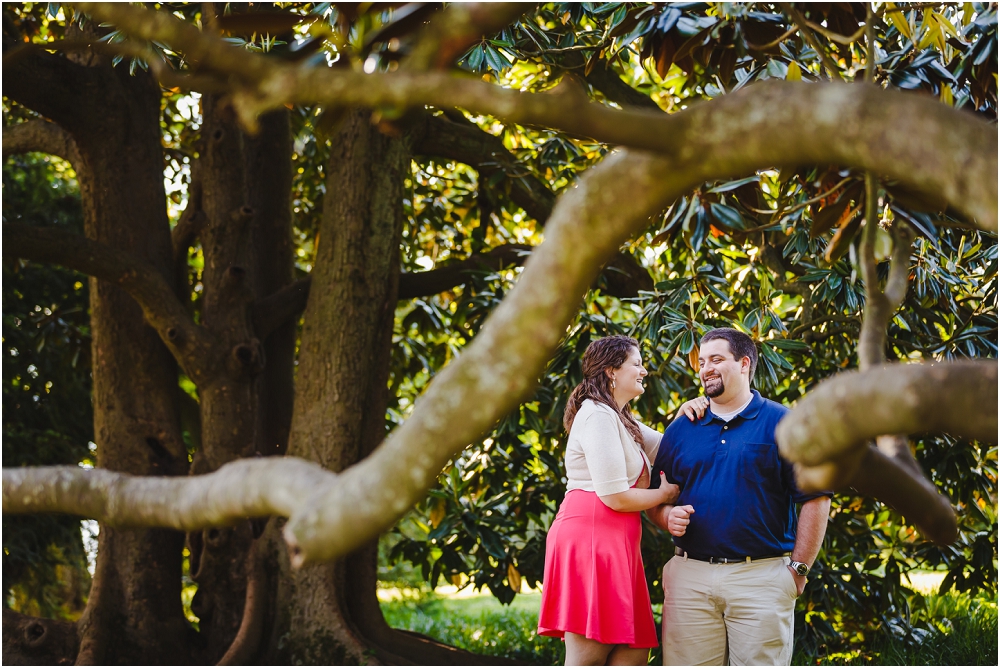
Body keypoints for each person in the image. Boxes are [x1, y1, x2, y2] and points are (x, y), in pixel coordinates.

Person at [648, 327, 832, 666]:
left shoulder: (784, 423)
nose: (705, 369)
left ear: (744, 363)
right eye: (702, 362)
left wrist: (799, 570)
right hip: (690, 578)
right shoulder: (683, 427)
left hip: (761, 578)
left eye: (716, 359)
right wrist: (665, 517)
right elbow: (655, 500)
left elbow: (816, 498)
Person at [538, 335, 708, 666]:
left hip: (617, 540)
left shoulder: (619, 417)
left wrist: (687, 412)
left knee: (632, 650)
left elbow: (669, 448)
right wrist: (664, 495)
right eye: (637, 364)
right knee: (590, 653)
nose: (644, 371)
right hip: (591, 536)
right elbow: (614, 495)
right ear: (612, 371)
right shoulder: (597, 415)